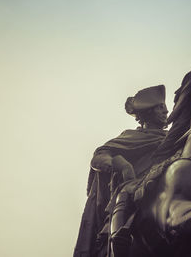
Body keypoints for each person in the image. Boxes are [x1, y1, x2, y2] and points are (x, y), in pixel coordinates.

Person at [74, 85, 168, 257]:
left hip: (167, 188)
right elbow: (99, 157)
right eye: (160, 108)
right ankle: (118, 236)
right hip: (136, 185)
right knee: (126, 192)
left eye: (165, 107)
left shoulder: (174, 138)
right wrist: (122, 166)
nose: (166, 111)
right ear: (148, 112)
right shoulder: (130, 137)